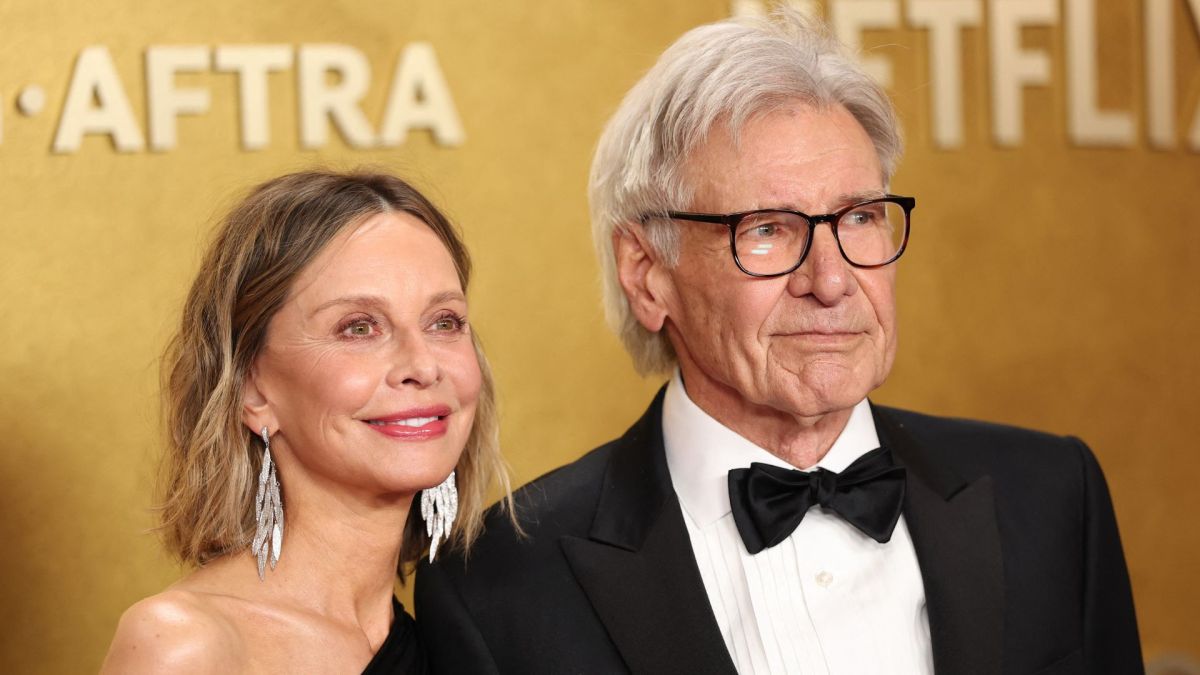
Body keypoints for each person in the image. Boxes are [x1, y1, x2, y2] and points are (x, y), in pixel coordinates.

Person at [415, 11, 1142, 675]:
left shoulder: (1050, 497)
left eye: (859, 218)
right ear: (646, 275)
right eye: (766, 229)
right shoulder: (502, 582)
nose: (832, 281)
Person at [101, 169, 510, 674]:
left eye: (444, 322)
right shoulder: (188, 646)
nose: (423, 367)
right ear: (252, 388)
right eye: (358, 328)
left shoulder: (484, 632)